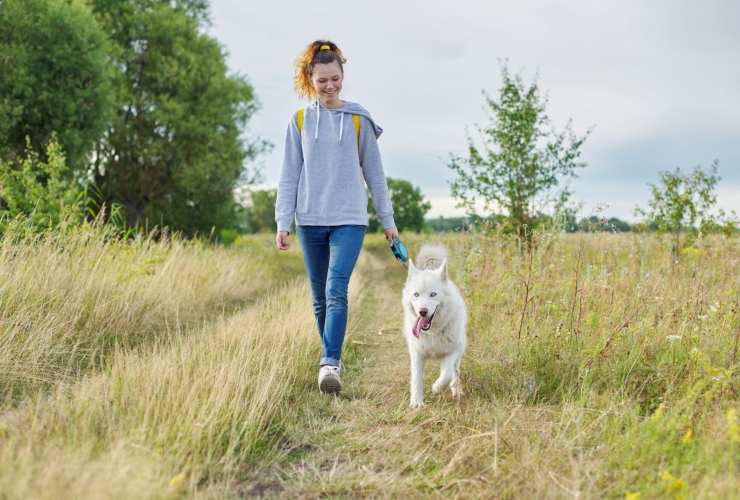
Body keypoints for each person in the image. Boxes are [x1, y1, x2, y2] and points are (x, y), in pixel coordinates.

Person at [274, 40, 398, 394]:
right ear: (310, 79)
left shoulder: (359, 120)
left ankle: (330, 362)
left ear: (343, 75)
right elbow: (289, 175)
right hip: (310, 219)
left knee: (335, 289)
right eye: (322, 80)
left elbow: (375, 175)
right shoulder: (299, 121)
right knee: (318, 298)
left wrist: (387, 221)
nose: (330, 86)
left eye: (335, 79)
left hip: (349, 219)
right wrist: (284, 221)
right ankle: (330, 360)